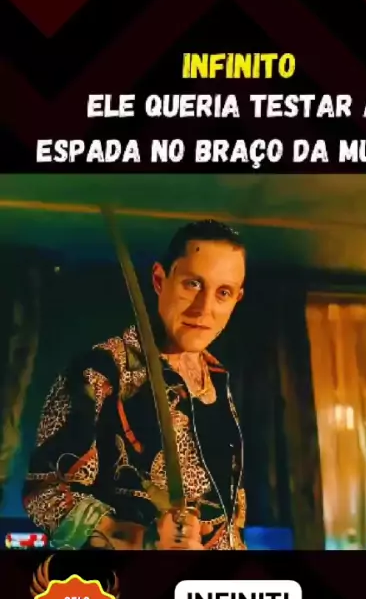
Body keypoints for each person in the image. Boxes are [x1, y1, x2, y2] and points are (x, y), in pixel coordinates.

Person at [22, 220, 247, 550]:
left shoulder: (217, 379)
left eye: (223, 293)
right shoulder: (99, 371)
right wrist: (144, 540)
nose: (204, 309)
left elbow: (231, 510)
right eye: (192, 284)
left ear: (237, 299)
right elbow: (46, 494)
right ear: (159, 280)